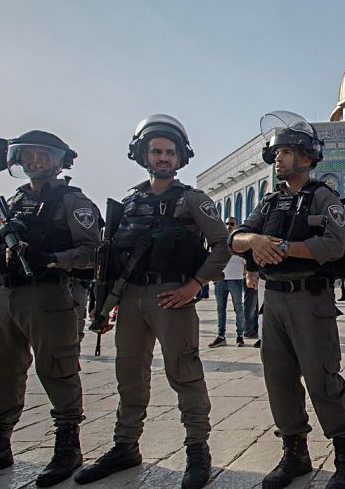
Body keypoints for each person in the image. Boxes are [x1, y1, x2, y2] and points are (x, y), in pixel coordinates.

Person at [74, 115, 229, 489]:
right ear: (144, 154)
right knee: (129, 376)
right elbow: (109, 260)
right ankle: (125, 445)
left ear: (180, 158)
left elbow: (221, 246)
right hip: (130, 301)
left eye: (169, 152)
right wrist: (102, 306)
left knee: (185, 373)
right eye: (156, 151)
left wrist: (194, 285)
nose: (163, 158)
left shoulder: (191, 200)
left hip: (172, 297)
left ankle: (197, 451)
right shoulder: (128, 204)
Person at [229, 111, 345, 489]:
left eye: (287, 152)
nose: (279, 159)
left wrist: (283, 247)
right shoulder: (269, 204)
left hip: (310, 300)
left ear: (306, 157)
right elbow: (235, 237)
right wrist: (254, 242)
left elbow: (335, 245)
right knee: (279, 378)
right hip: (274, 303)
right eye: (277, 153)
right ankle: (295, 453)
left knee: (321, 379)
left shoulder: (323, 197)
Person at [0, 131, 100, 487]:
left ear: (57, 161)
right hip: (6, 295)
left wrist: (51, 259)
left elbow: (92, 251)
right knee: (2, 369)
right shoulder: (12, 202)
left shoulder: (72, 201)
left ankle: (67, 444)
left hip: (51, 295)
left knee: (57, 367)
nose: (35, 162)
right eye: (29, 156)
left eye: (42, 156)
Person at [210, 217, 247, 347]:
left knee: (238, 308)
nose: (228, 226)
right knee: (221, 308)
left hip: (235, 278)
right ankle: (221, 336)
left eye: (231, 224)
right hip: (220, 279)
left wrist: (248, 274)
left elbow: (247, 259)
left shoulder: (240, 240)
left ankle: (240, 336)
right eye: (226, 223)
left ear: (236, 226)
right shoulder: (219, 240)